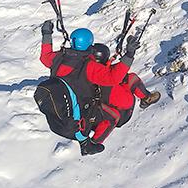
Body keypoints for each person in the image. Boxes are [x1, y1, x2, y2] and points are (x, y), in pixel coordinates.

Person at [34, 20, 161, 156]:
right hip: (82, 114)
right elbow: (114, 77)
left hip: (61, 110)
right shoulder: (90, 67)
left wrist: (46, 34)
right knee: (113, 116)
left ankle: (145, 98)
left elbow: (45, 57)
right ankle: (91, 144)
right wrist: (129, 55)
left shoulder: (58, 58)